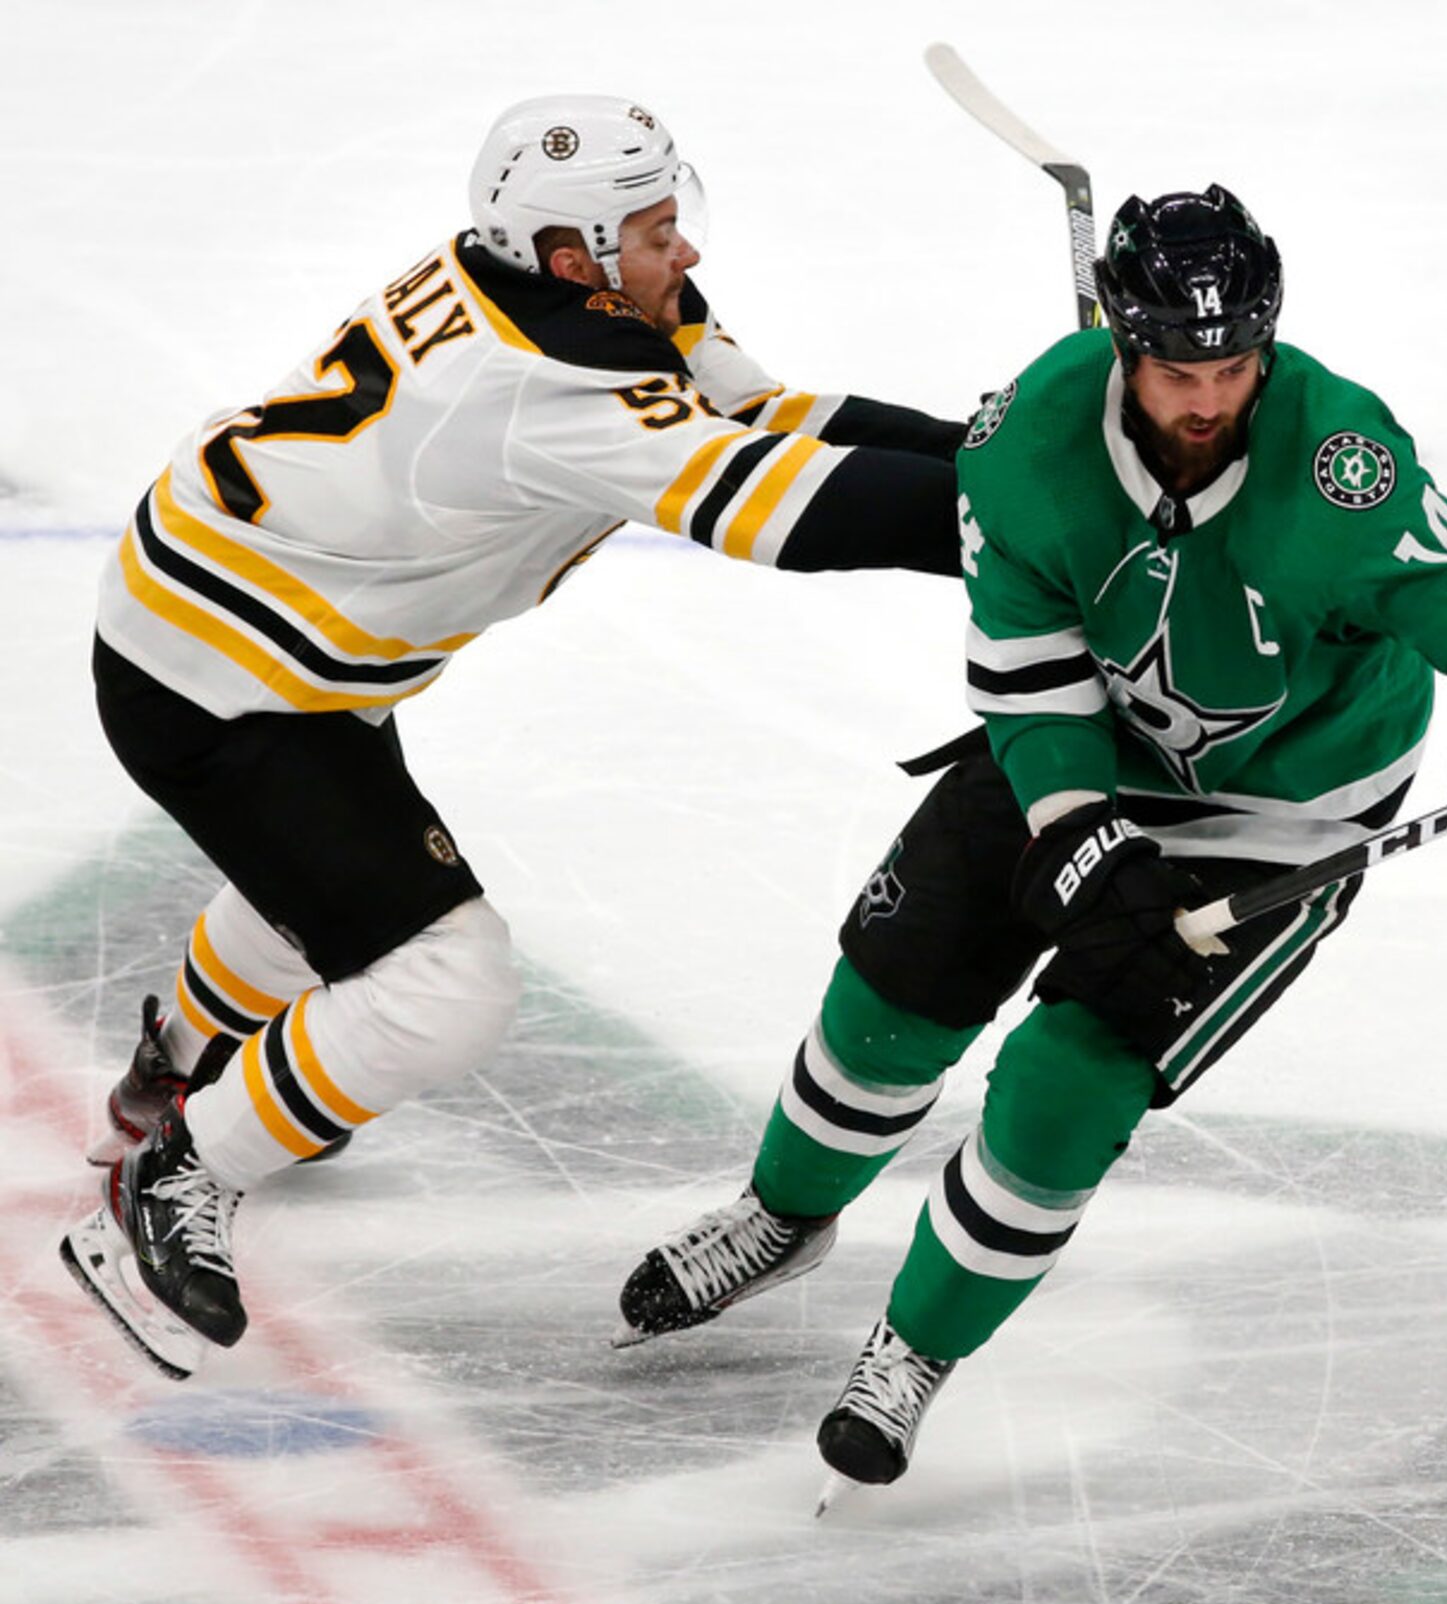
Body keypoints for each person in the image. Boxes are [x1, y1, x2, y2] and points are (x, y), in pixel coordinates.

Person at [615, 184, 1447, 1497]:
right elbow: (1027, 686)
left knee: (1066, 1079)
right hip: (1080, 753)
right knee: (891, 989)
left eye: (1234, 368)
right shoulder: (1023, 446)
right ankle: (784, 1218)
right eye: (1175, 372)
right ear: (1120, 342)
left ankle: (914, 1348)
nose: (1206, 402)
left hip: (1279, 824)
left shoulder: (1346, 468)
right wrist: (1085, 840)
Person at [61, 94, 969, 1381]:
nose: (688, 254)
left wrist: (985, 449)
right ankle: (166, 1179)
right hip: (217, 683)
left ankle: (179, 1069)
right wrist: (1049, 522)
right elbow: (785, 511)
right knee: (446, 983)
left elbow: (764, 419)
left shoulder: (568, 303)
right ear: (572, 256)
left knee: (326, 885)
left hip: (248, 626)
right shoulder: (541, 381)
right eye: (659, 231)